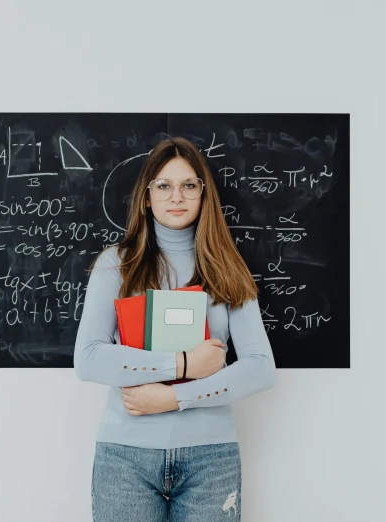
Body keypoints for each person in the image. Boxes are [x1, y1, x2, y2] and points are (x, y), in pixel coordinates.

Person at [74, 137, 276, 521]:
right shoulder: (116, 264)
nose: (176, 196)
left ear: (203, 194)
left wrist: (176, 398)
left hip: (210, 458)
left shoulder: (227, 266)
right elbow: (88, 360)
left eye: (189, 185)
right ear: (147, 197)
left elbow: (261, 368)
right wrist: (184, 365)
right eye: (163, 186)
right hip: (125, 456)